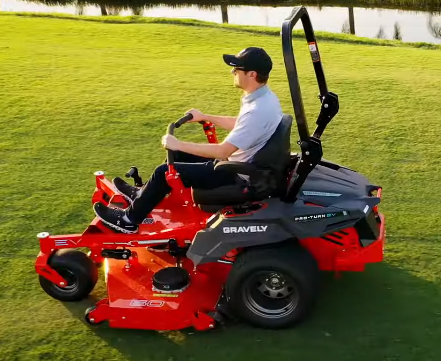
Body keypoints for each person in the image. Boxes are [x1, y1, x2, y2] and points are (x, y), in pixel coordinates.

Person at [93, 47, 283, 233]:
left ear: (251, 74)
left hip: (235, 172)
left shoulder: (257, 110)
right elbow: (240, 124)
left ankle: (129, 220)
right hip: (239, 164)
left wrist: (178, 143)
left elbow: (223, 151)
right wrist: (204, 116)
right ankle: (143, 195)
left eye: (237, 68)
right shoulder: (263, 98)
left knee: (164, 172)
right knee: (176, 155)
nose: (232, 71)